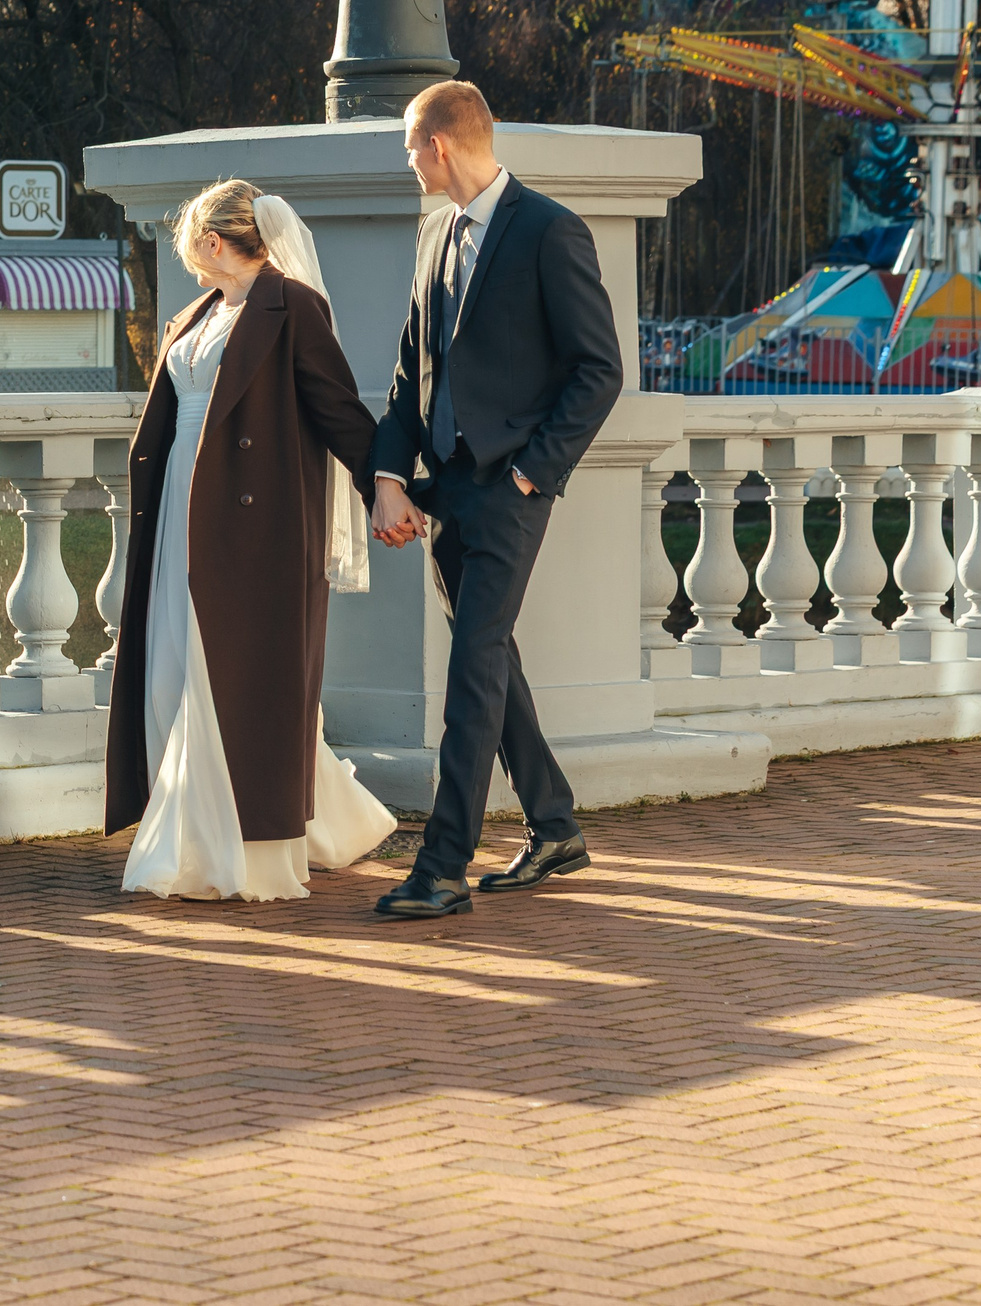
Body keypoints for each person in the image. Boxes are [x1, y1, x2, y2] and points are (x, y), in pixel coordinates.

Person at [367, 80, 624, 920]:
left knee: (472, 672)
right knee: (493, 663)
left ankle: (442, 866)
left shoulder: (551, 231)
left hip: (511, 491)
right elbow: (411, 374)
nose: (406, 158)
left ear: (439, 144)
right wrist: (389, 476)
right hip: (445, 492)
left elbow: (599, 371)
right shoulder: (436, 233)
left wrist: (529, 474)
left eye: (410, 143)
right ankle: (554, 826)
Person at [104, 179, 394, 902]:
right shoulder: (197, 313)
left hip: (253, 524)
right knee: (175, 662)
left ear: (212, 241)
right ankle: (282, 819)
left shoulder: (292, 306)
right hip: (180, 508)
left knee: (229, 677)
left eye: (189, 242)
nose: (187, 255)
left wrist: (385, 481)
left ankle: (241, 849)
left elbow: (337, 406)